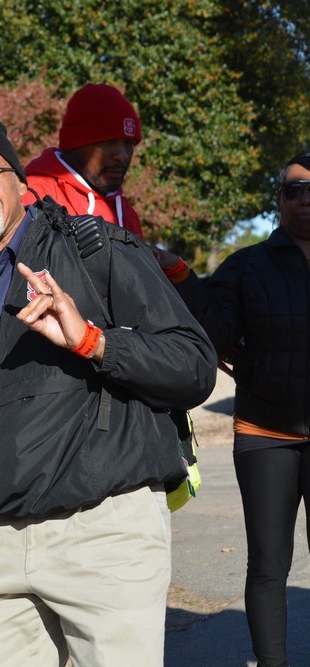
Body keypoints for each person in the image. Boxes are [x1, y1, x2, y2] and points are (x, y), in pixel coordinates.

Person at [0, 119, 216, 667]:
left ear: (19, 182)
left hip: (103, 534)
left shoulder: (95, 249)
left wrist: (92, 341)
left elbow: (194, 368)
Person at [154, 152, 310, 667]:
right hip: (265, 433)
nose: (305, 199)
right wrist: (182, 276)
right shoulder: (247, 267)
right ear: (279, 200)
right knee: (268, 565)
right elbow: (215, 334)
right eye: (294, 190)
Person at [23, 83, 144, 237]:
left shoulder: (125, 214)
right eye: (109, 142)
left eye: (129, 143)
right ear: (76, 144)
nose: (123, 155)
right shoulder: (34, 198)